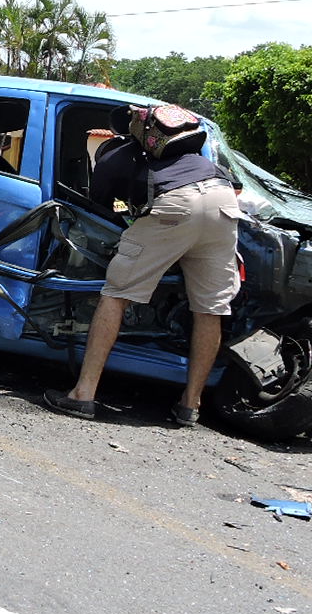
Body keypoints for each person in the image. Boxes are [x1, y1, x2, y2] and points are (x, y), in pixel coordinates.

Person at [44, 104, 243, 428]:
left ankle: (83, 394)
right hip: (222, 201)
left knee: (116, 293)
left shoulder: (113, 156)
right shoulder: (194, 156)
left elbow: (98, 212)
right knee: (211, 309)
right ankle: (189, 406)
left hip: (177, 204)